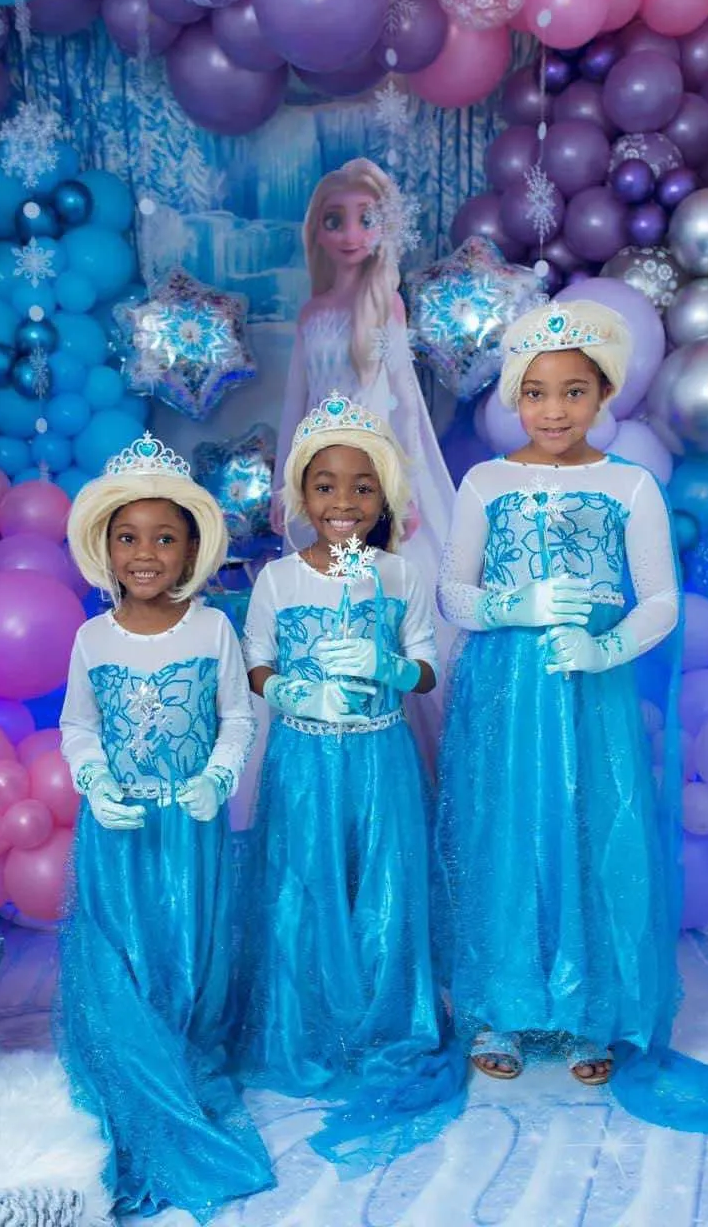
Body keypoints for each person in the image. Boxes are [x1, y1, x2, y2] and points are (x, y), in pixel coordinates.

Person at [433, 299, 708, 1132]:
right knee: (507, 830)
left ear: (606, 395)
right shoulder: (486, 483)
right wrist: (514, 606)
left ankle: (588, 1007)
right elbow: (453, 593)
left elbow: (660, 599)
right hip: (507, 689)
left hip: (592, 687)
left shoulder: (629, 486)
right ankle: (505, 1005)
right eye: (536, 392)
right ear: (515, 396)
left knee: (590, 828)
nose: (554, 410)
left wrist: (605, 647)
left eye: (574, 392)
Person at [236, 392, 464, 1173]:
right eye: (326, 485)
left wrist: (390, 667)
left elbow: (427, 664)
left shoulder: (399, 574)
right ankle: (310, 1026)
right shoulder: (277, 579)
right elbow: (256, 658)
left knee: (385, 890)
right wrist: (290, 692)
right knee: (304, 889)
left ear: (383, 496)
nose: (344, 501)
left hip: (379, 758)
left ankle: (386, 1021)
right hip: (303, 763)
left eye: (362, 487)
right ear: (302, 495)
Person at [59, 432, 273, 1221]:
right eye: (128, 537)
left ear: (189, 551)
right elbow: (78, 725)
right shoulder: (92, 639)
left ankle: (184, 1042)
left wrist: (218, 776)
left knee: (190, 942)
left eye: (163, 538)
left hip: (189, 826)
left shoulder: (212, 629)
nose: (144, 553)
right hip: (116, 828)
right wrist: (93, 781)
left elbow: (237, 717)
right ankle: (131, 1054)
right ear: (106, 548)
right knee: (122, 947)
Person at [272, 159, 455, 749]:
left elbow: (405, 402)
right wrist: (282, 484)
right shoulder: (312, 313)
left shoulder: (385, 306)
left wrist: (408, 488)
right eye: (335, 221)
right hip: (321, 481)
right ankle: (333, 737)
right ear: (318, 232)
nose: (351, 234)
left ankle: (407, 749)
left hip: (376, 480)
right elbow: (296, 402)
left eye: (365, 219)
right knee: (326, 603)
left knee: (389, 608)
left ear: (384, 228)